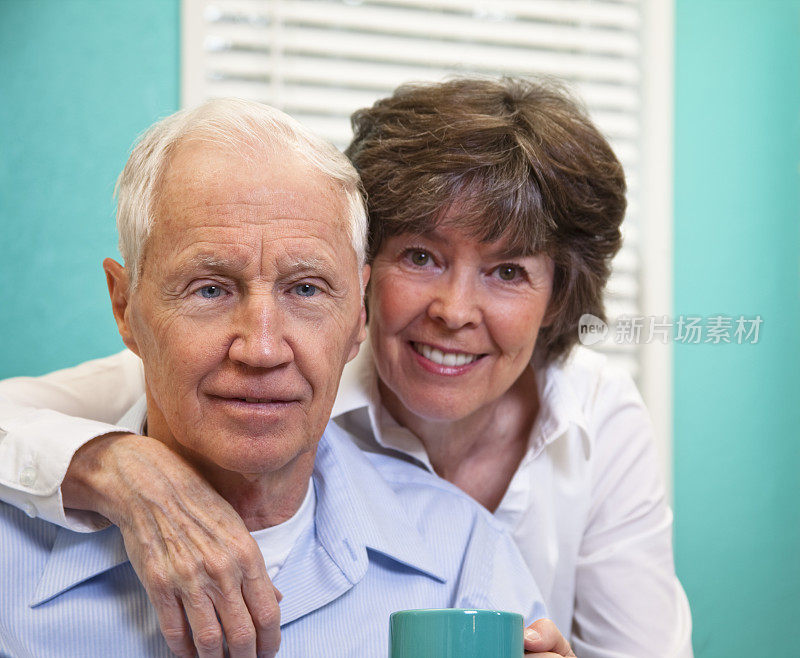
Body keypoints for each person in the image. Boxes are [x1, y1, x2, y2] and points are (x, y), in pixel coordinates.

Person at [0, 78, 691, 656]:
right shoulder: (214, 380)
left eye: (508, 270)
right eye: (422, 256)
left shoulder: (585, 426)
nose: (262, 350)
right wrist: (118, 468)